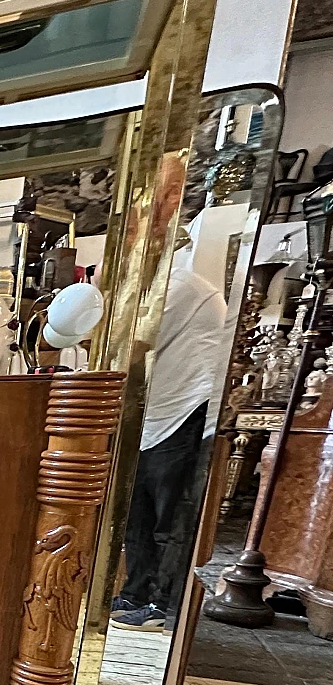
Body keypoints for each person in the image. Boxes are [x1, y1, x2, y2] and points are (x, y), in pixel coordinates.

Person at [111, 252, 227, 631]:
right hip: (153, 413)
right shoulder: (161, 288)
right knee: (137, 511)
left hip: (185, 408)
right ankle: (135, 591)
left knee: (170, 513)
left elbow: (135, 343)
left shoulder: (178, 285)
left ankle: (162, 604)